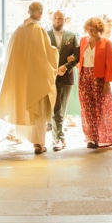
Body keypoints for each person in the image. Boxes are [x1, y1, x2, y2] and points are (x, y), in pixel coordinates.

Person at [0, 1, 58, 154]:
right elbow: (45, 55)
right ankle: (38, 143)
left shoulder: (19, 29)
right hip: (37, 78)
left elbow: (11, 54)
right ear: (40, 14)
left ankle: (34, 141)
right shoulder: (38, 30)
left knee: (28, 108)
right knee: (39, 111)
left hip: (22, 78)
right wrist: (55, 51)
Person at [78, 16, 112, 149]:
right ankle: (91, 138)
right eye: (89, 29)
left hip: (99, 79)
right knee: (87, 108)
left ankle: (101, 136)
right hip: (84, 77)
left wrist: (106, 83)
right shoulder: (83, 40)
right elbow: (80, 59)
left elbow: (109, 65)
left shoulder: (106, 43)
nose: (91, 32)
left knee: (99, 109)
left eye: (94, 29)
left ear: (99, 29)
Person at [47, 10, 80, 152]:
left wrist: (66, 66)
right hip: (50, 76)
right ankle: (59, 138)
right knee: (56, 109)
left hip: (66, 76)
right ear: (52, 19)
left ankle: (58, 137)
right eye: (55, 18)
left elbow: (77, 55)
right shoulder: (45, 35)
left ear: (65, 20)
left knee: (62, 109)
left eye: (60, 19)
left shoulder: (72, 36)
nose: (57, 21)